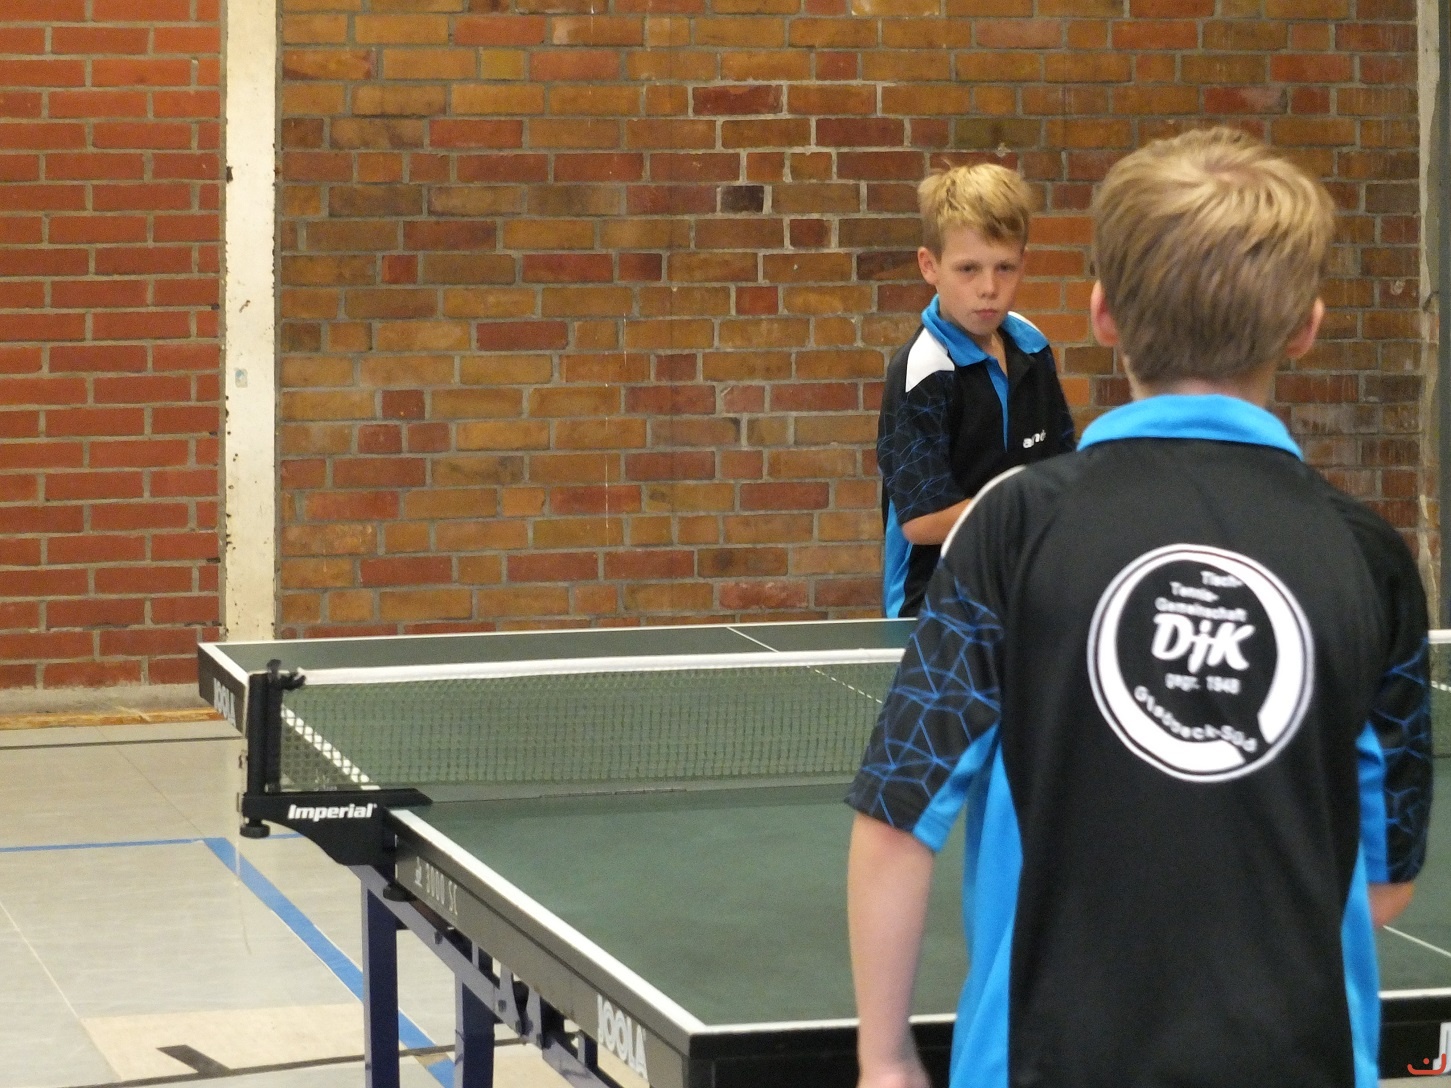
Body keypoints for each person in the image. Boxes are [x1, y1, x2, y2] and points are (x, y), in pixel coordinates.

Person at [847, 127, 1433, 1088]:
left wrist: (885, 1058)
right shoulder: (1369, 559)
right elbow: (1384, 878)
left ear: (1102, 313)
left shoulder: (1010, 531)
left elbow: (895, 816)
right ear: (1305, 327)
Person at [877, 162, 1076, 618]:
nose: (989, 288)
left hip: (1021, 597)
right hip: (935, 608)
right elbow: (924, 521)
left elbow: (1063, 470)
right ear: (929, 266)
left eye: (1005, 267)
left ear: (1024, 263)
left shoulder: (1032, 347)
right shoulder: (923, 371)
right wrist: (1025, 514)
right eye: (968, 269)